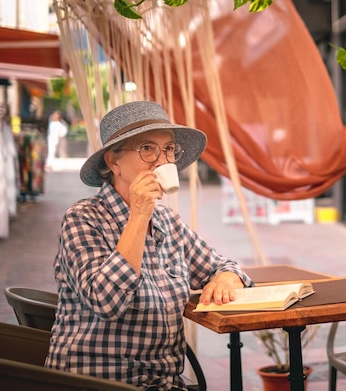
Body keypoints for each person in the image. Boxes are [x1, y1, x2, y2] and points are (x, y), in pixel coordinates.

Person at [45, 101, 254, 390]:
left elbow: (223, 266)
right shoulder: (83, 219)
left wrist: (227, 278)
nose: (162, 161)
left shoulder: (167, 222)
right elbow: (106, 302)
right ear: (113, 162)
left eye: (168, 149)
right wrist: (139, 215)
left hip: (164, 383)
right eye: (147, 148)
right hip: (98, 381)